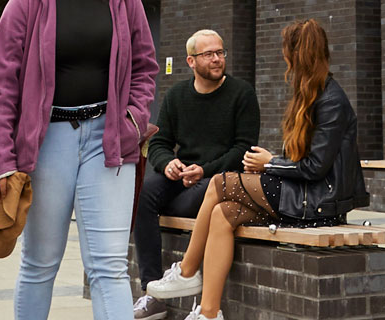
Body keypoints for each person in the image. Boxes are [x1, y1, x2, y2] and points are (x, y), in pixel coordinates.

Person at [0, 0, 159, 320]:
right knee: (40, 263)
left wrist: (133, 120)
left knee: (110, 267)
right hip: (47, 143)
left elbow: (145, 68)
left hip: (109, 140)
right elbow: (0, 84)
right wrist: (0, 160)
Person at [143, 19, 368, 320]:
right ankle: (209, 314)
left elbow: (315, 169)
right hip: (300, 193)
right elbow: (160, 141)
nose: (283, 57)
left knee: (221, 183)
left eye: (287, 50)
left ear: (298, 54)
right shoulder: (310, 93)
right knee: (223, 213)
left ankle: (186, 271)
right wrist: (271, 163)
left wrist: (270, 162)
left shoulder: (331, 101)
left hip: (315, 201)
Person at [132, 30, 259, 320]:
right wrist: (168, 164)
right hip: (181, 179)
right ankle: (152, 293)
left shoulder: (242, 94)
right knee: (143, 193)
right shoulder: (177, 95)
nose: (217, 59)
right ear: (191, 61)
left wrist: (205, 169)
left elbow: (244, 148)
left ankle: (189, 283)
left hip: (218, 182)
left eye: (220, 52)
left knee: (202, 195)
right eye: (209, 54)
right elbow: (160, 143)